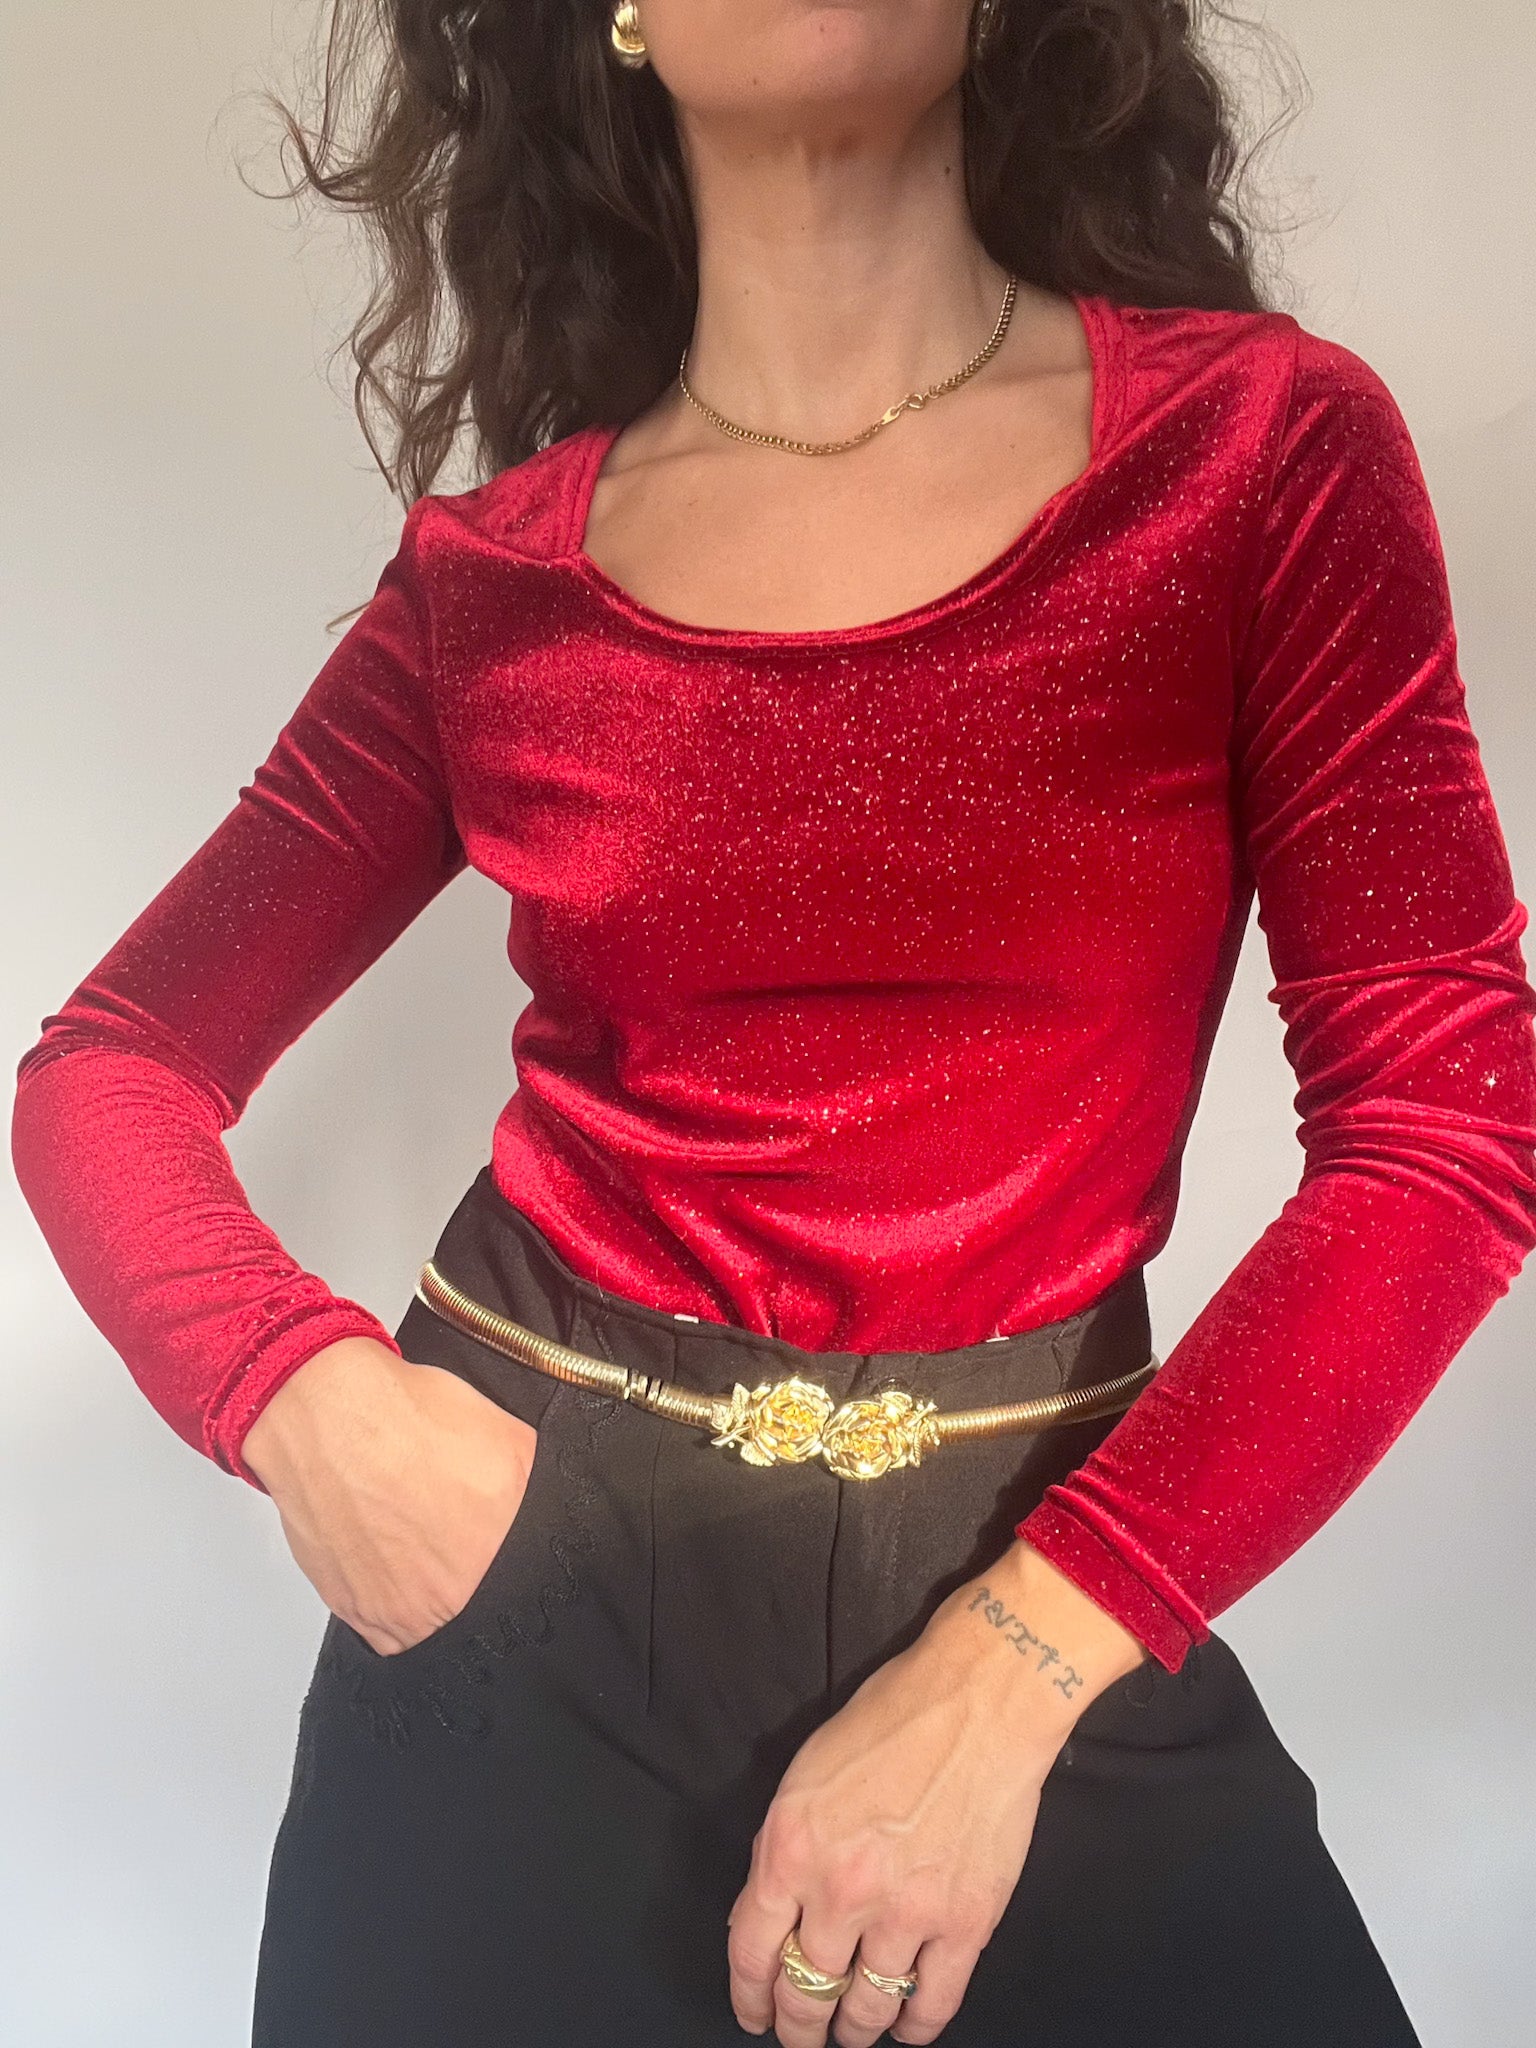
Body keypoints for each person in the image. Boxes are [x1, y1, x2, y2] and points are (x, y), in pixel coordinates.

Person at [12, 3, 1536, 2044]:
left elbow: (1444, 1131)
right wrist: (300, 1396)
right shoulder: (491, 587)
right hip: (514, 1599)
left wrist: (1016, 1664)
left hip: (1051, 1576)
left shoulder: (1258, 455)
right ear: (617, 19)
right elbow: (109, 1066)